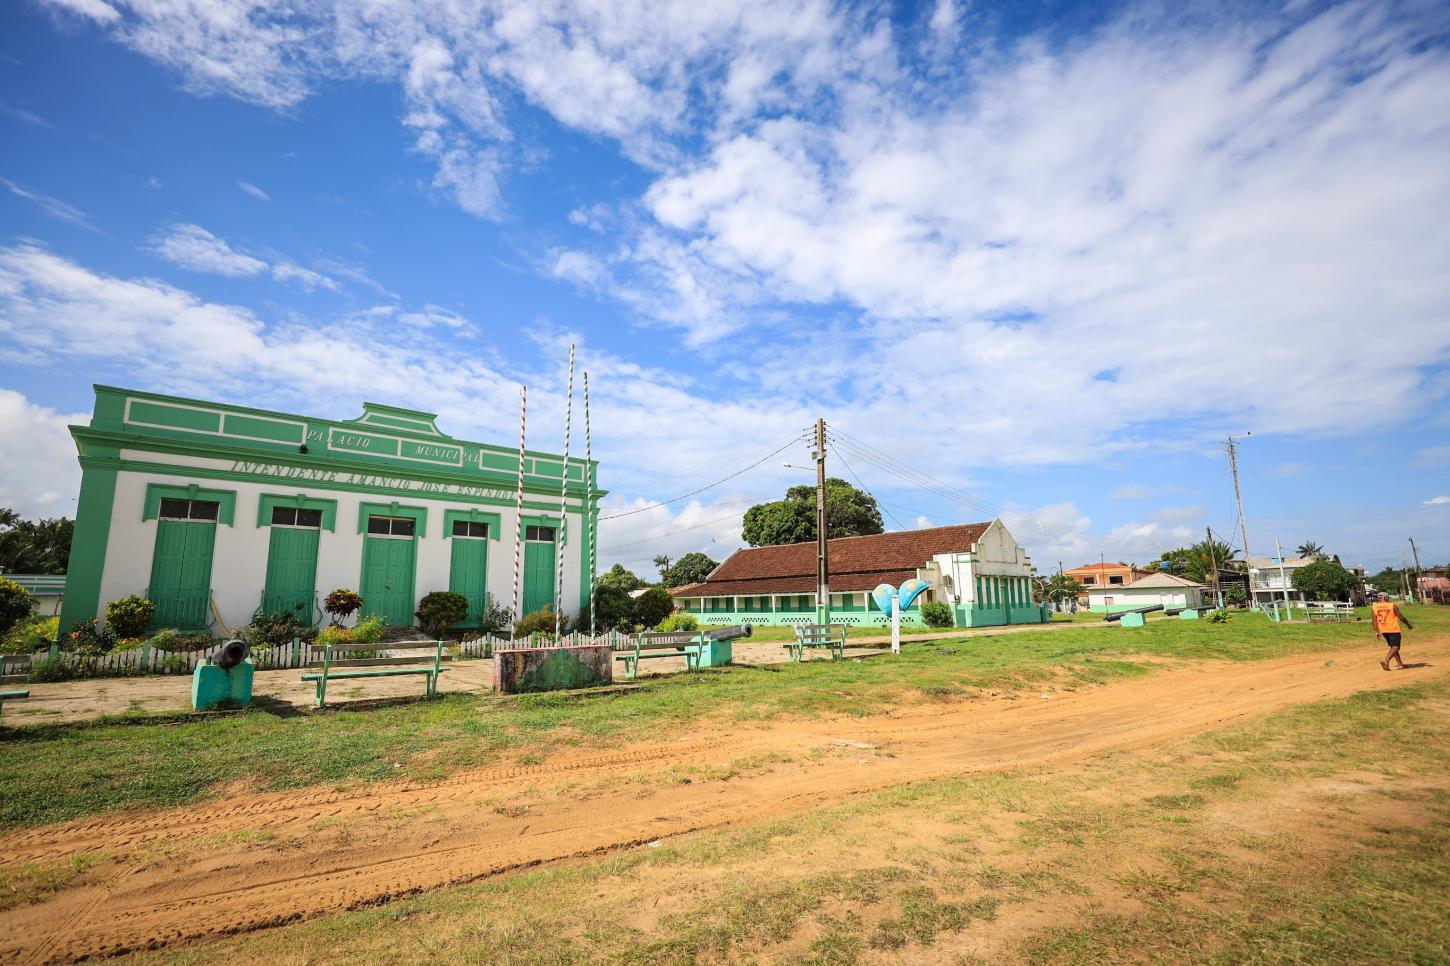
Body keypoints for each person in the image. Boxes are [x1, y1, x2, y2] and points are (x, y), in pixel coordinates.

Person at [1370, 593, 1413, 671]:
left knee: (1393, 647)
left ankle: (1400, 665)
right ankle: (1386, 660)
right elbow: (1401, 617)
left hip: (1383, 629)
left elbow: (1374, 621)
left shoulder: (1374, 607)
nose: (1388, 598)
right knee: (1396, 647)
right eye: (1387, 597)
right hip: (1393, 629)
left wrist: (1376, 631)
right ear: (1384, 597)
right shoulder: (1392, 605)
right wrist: (1408, 625)